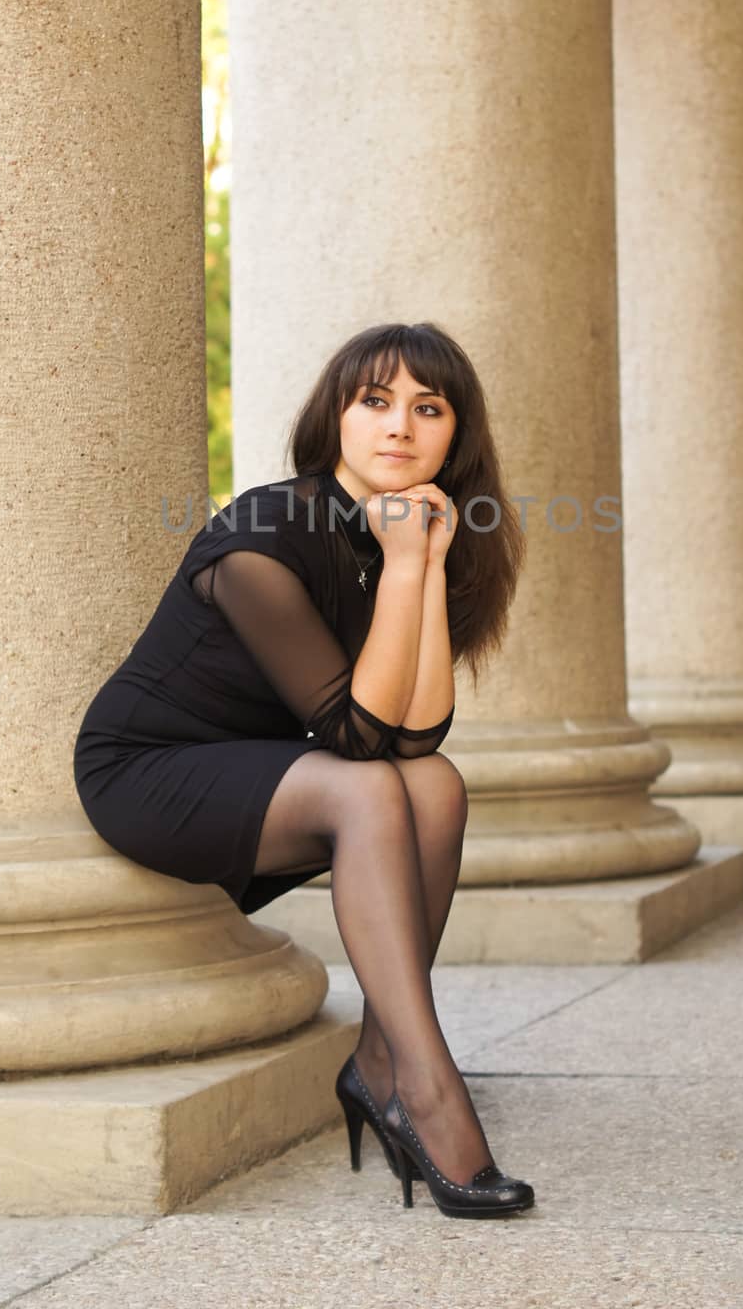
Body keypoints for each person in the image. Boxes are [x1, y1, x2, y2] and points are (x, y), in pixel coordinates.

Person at [72, 321, 534, 1218]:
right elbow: (360, 745)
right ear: (335, 418)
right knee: (366, 787)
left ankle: (378, 1062)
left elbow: (417, 740)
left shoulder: (400, 533)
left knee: (436, 786)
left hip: (279, 772)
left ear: (455, 437)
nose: (397, 426)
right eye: (374, 401)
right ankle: (426, 1088)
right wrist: (407, 560)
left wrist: (424, 563)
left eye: (426, 408)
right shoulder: (263, 531)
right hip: (152, 773)